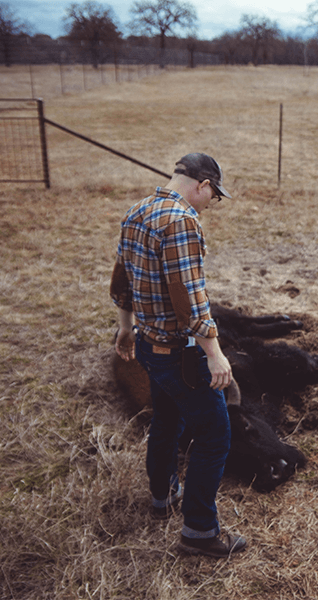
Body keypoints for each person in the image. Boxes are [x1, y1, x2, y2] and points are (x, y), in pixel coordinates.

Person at [110, 152, 247, 558]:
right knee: (214, 435)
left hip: (148, 344)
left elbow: (122, 279)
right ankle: (200, 533)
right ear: (202, 185)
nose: (211, 204)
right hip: (179, 353)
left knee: (167, 420)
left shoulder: (137, 211)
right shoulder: (182, 221)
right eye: (213, 196)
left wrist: (124, 327)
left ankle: (162, 495)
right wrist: (215, 353)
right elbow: (190, 297)